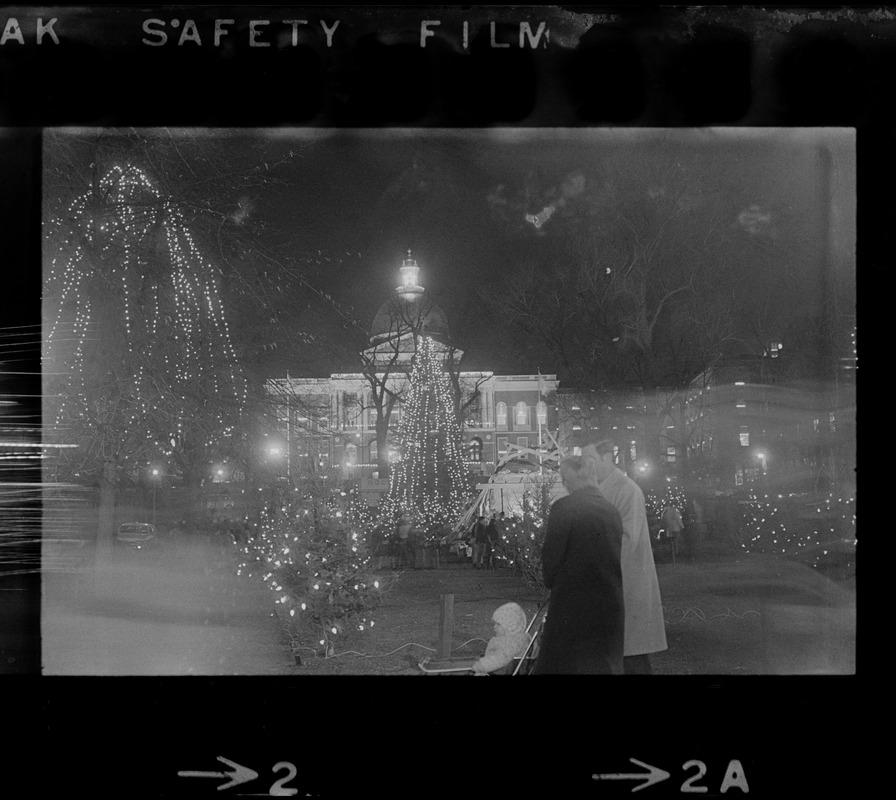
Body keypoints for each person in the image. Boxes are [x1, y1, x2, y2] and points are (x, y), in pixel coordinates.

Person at [531, 455, 624, 675]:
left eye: (565, 478)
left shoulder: (564, 508)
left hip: (572, 607)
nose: (564, 484)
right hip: (608, 606)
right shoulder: (611, 511)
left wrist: (552, 579)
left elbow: (551, 561)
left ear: (576, 477)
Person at [583, 439, 668, 675]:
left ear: (607, 457)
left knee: (631, 655)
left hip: (627, 583)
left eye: (591, 460)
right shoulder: (602, 489)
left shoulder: (626, 490)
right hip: (612, 584)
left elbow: (626, 540)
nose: (587, 466)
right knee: (621, 654)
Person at [471, 602, 531, 675]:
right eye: (495, 623)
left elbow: (501, 657)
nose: (494, 627)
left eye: (498, 624)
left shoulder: (514, 642)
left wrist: (481, 665)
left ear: (510, 626)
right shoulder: (512, 639)